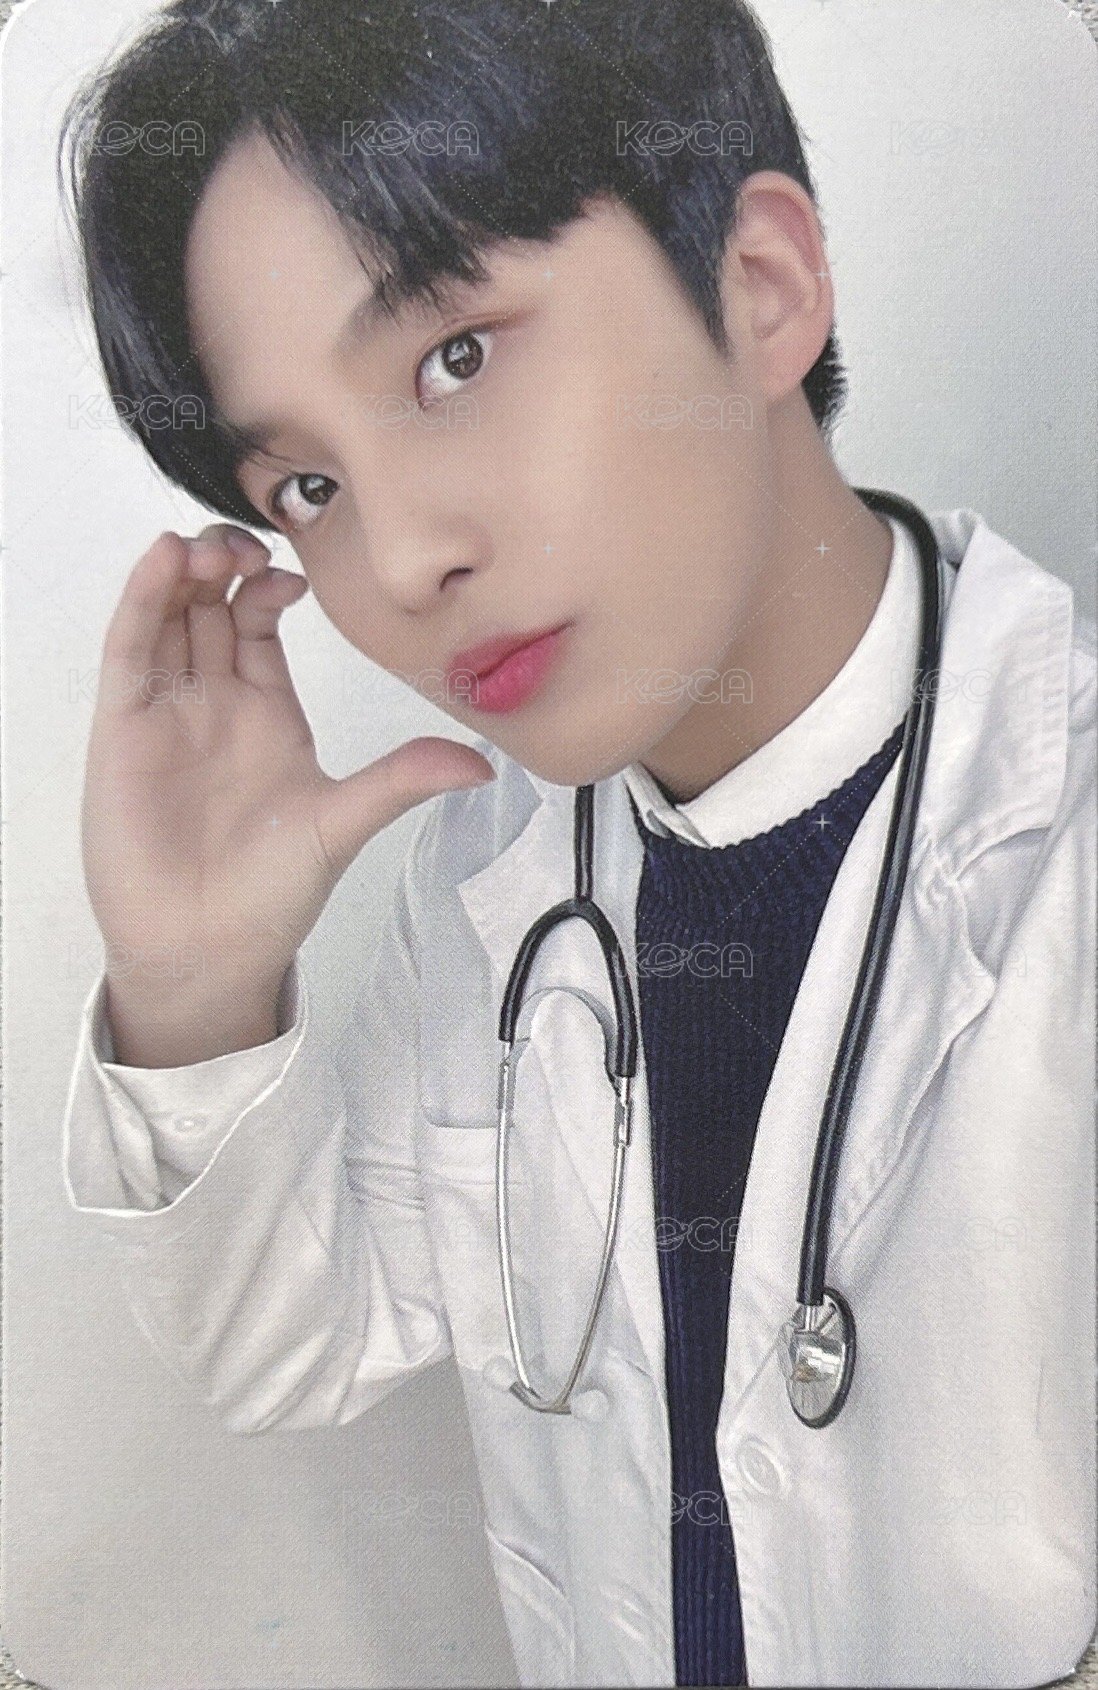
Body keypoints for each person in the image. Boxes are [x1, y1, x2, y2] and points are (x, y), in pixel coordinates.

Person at [58, 0, 1095, 1684]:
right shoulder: (491, 876)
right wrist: (190, 985)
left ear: (759, 287)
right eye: (305, 485)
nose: (399, 557)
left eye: (453, 359)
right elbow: (285, 1342)